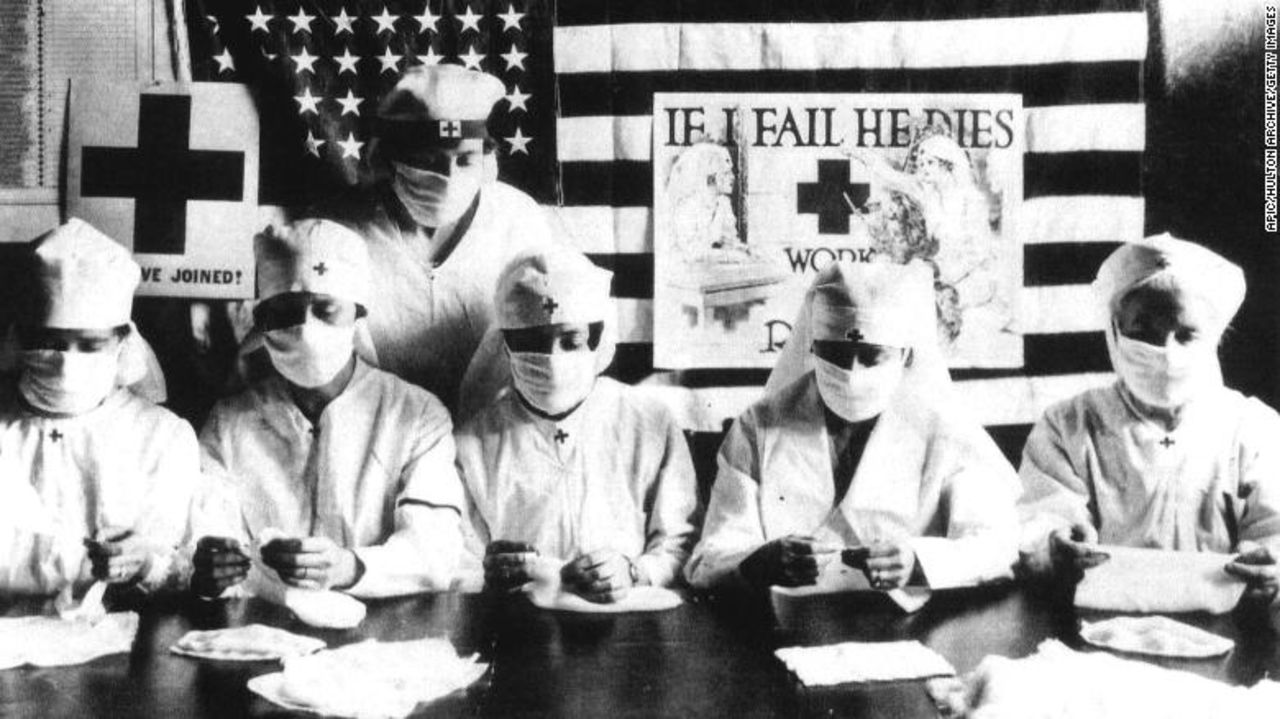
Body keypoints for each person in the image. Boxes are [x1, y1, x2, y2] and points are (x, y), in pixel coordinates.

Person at [685, 260, 1020, 593]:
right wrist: (759, 561)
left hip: (909, 631)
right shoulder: (758, 427)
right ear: (812, 346)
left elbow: (997, 542)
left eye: (871, 356)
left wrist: (919, 560)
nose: (852, 372)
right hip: (787, 627)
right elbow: (710, 558)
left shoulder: (945, 428)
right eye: (835, 353)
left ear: (905, 355)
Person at [193, 219, 466, 599]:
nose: (306, 329)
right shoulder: (229, 423)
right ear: (262, 320)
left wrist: (351, 567)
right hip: (265, 628)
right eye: (287, 311)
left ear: (357, 315)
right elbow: (205, 533)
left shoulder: (415, 416)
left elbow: (435, 551)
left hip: (383, 635)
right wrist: (208, 564)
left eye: (326, 310)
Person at [1018, 234, 1280, 602]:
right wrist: (1055, 545)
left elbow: (1275, 529)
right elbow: (1042, 518)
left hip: (1227, 629)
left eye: (1186, 335)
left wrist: (1272, 568)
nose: (1166, 353)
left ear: (1214, 338)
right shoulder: (1069, 425)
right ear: (1115, 332)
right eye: (1144, 333)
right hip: (1099, 625)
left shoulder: (1253, 429)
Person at [455, 246, 702, 603]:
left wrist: (634, 571)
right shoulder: (473, 443)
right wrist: (487, 573)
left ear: (597, 339)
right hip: (521, 630)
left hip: (631, 625)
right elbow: (458, 560)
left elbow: (682, 544)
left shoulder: (649, 423)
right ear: (506, 344)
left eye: (571, 341)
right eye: (533, 344)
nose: (553, 361)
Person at [329, 64, 558, 421]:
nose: (449, 178)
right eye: (428, 161)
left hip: (492, 432)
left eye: (465, 159)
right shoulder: (345, 227)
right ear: (389, 158)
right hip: (379, 427)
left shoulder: (516, 218)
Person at [0, 219, 200, 605]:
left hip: (118, 642)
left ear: (122, 342)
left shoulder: (161, 436)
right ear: (18, 337)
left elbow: (180, 571)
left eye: (90, 345)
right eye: (50, 343)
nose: (66, 364)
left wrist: (143, 563)